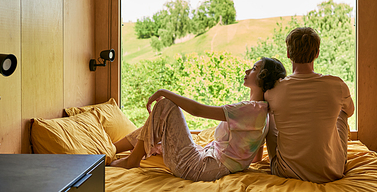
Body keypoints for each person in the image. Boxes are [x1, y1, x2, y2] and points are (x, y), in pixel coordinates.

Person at [110, 57, 287, 182]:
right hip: (206, 161)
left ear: (263, 77)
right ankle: (111, 148)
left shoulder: (248, 110)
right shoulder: (263, 113)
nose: (248, 70)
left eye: (255, 68)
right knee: (158, 125)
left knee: (166, 106)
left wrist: (164, 92)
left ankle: (130, 159)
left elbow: (197, 110)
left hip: (199, 168)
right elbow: (255, 157)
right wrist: (232, 162)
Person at [264, 27, 355, 183]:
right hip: (332, 172)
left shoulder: (273, 90)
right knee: (342, 112)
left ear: (288, 54)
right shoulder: (337, 85)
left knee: (268, 114)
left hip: (285, 171)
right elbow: (350, 111)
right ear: (317, 53)